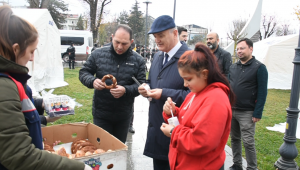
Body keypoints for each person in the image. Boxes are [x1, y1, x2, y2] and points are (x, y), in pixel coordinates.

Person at [0, 5, 92, 170]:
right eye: (31, 51)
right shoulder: (4, 86)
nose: (32, 58)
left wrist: (41, 105)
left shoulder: (11, 80)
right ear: (15, 49)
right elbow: (20, 156)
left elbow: (16, 109)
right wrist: (80, 168)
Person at [160, 43, 234, 170]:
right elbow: (186, 121)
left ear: (205, 74)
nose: (185, 84)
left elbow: (201, 141)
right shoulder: (196, 92)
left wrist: (173, 132)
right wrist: (173, 112)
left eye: (188, 79)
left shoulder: (215, 99)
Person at [138, 15, 190, 170]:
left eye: (160, 36)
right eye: (155, 37)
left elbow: (194, 96)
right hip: (157, 127)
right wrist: (146, 87)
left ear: (175, 33)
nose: (157, 40)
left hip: (178, 130)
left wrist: (163, 93)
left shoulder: (190, 58)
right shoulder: (157, 55)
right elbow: (154, 81)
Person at [79, 24, 146, 143]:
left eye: (124, 44)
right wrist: (92, 81)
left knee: (118, 149)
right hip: (101, 114)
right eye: (117, 42)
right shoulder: (98, 54)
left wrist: (125, 90)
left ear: (131, 42)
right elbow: (84, 72)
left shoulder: (138, 60)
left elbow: (141, 85)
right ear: (112, 37)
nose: (120, 46)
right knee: (101, 149)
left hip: (123, 116)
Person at [229, 38, 268, 170]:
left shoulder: (259, 68)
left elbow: (262, 92)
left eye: (242, 48)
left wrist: (258, 112)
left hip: (247, 111)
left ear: (251, 49)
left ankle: (252, 167)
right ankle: (237, 164)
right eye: (238, 49)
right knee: (234, 139)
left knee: (248, 142)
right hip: (232, 109)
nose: (239, 51)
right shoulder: (233, 67)